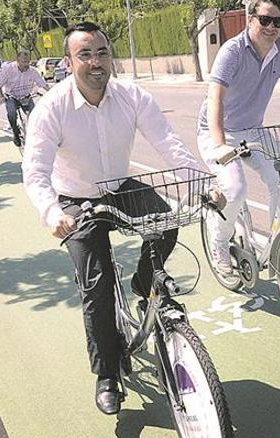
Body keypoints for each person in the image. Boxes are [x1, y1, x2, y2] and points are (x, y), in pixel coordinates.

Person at [22, 22, 224, 415]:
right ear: (68, 62)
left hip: (119, 187)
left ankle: (143, 282)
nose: (95, 62)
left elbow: (168, 143)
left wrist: (201, 182)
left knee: (166, 221)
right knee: (95, 289)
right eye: (85, 55)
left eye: (101, 53)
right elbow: (35, 172)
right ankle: (108, 374)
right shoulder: (51, 108)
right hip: (75, 201)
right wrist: (52, 213)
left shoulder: (131, 96)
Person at [197, 0, 280, 275]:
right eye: (265, 20)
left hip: (253, 130)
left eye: (277, 22)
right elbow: (215, 97)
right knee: (235, 189)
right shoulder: (233, 51)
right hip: (217, 131)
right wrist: (219, 146)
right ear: (250, 19)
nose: (271, 27)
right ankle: (219, 241)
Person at [0, 50, 50, 147]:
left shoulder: (32, 71)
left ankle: (35, 137)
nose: (26, 64)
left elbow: (43, 84)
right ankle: (15, 133)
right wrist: (1, 97)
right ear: (17, 60)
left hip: (26, 97)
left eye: (28, 61)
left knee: (35, 116)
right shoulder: (8, 69)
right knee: (11, 113)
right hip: (12, 97)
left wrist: (51, 93)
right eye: (24, 62)